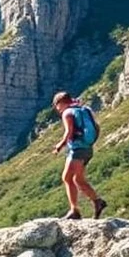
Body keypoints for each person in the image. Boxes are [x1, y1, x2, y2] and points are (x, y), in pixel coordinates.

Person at [50, 91, 106, 220]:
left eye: (56, 105)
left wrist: (59, 145)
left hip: (77, 150)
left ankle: (74, 211)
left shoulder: (67, 113)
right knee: (78, 180)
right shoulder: (81, 109)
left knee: (67, 178)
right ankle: (98, 202)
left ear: (60, 102)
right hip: (87, 149)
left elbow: (69, 132)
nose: (57, 109)